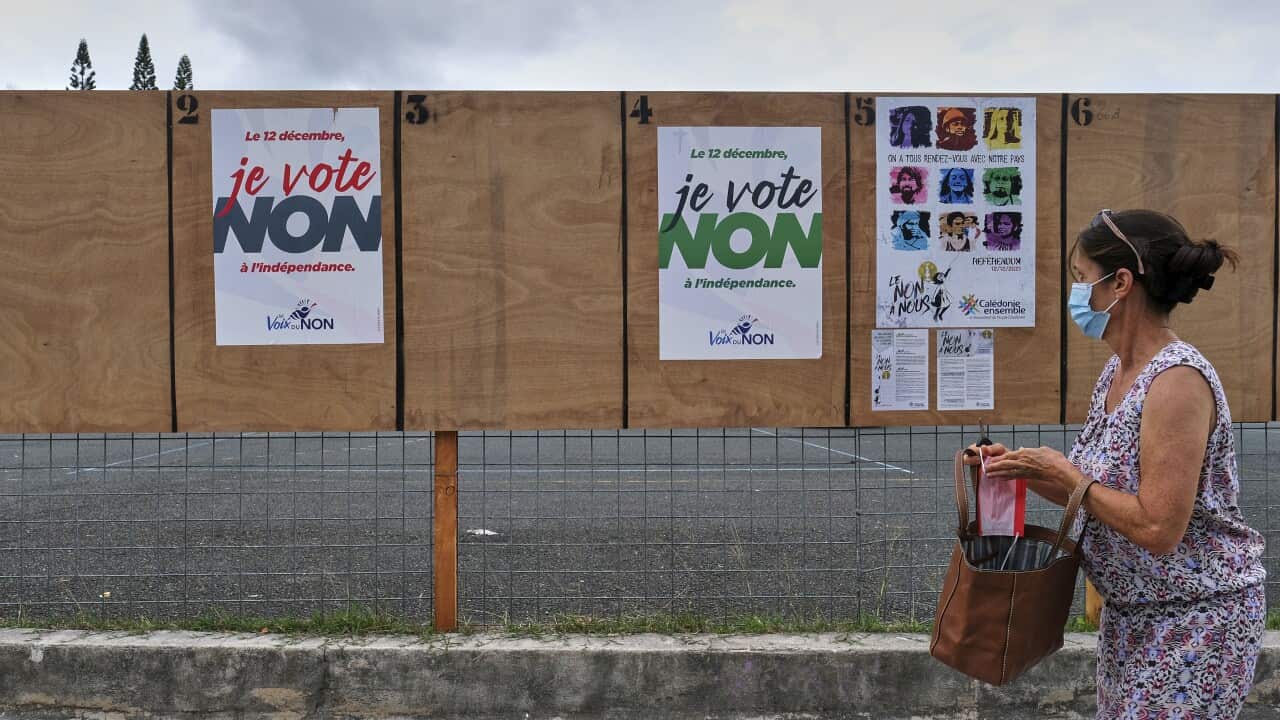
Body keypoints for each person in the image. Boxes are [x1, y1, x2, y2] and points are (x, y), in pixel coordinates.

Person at [973, 209, 1265, 719]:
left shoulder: (1175, 382)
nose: (1077, 293)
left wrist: (1069, 476)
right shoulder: (1117, 371)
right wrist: (1020, 469)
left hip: (1195, 621)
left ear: (1121, 283)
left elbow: (1157, 526)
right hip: (1134, 617)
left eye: (1083, 278)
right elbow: (1099, 491)